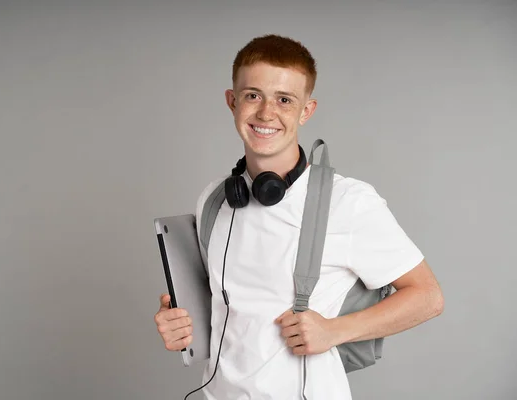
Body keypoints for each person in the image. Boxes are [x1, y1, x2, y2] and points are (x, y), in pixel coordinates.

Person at [154, 34, 444, 399]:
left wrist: (335, 331)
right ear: (232, 102)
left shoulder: (348, 202)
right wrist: (178, 324)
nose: (265, 113)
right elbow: (226, 312)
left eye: (285, 100)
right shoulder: (214, 200)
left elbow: (428, 297)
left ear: (306, 111)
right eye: (252, 95)